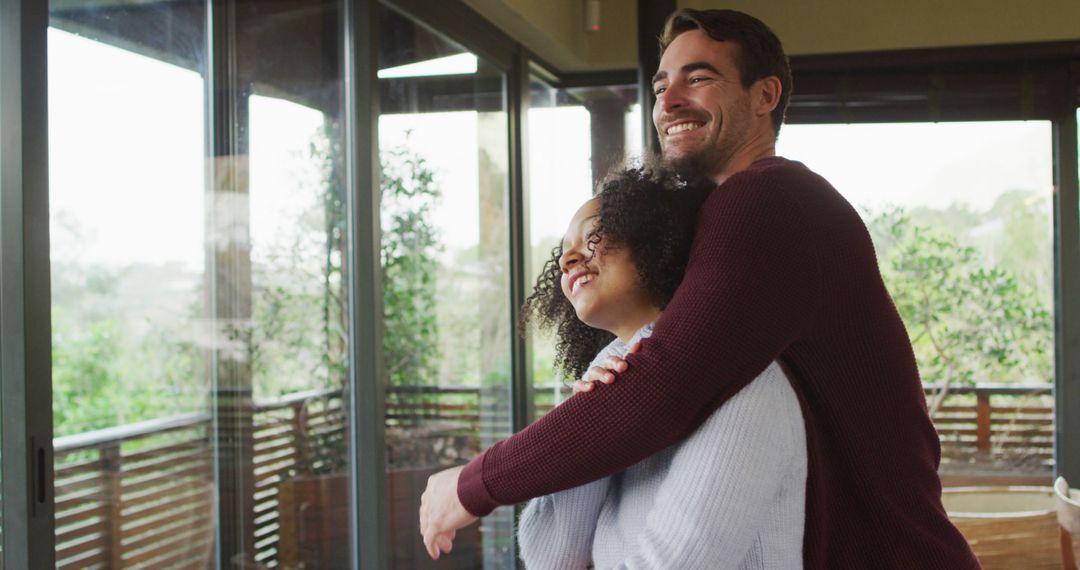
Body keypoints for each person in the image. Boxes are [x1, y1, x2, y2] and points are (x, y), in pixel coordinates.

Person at [420, 8, 980, 568]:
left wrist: (471, 485)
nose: (669, 100)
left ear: (765, 96)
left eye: (699, 77)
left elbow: (665, 388)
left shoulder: (768, 198)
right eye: (662, 85)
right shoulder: (724, 220)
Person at [516, 167, 806, 568]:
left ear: (654, 240)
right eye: (564, 248)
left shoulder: (746, 381)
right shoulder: (611, 373)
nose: (567, 259)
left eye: (594, 235)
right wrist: (590, 424)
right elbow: (552, 556)